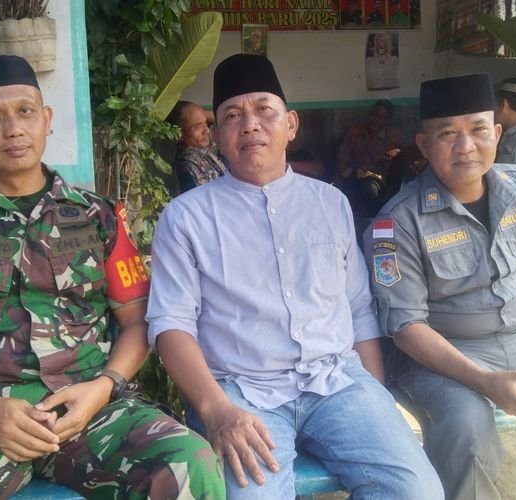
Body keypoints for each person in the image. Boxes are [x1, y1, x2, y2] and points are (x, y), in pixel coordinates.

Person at [0, 55, 223, 499]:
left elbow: (137, 320)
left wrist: (103, 387)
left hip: (92, 411)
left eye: (25, 111)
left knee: (189, 462)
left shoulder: (100, 217)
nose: (13, 129)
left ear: (47, 119)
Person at [146, 53, 443, 500]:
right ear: (218, 137)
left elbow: (358, 309)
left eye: (264, 109)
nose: (250, 125)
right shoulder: (185, 217)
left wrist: (376, 397)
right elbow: (171, 324)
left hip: (338, 382)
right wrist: (214, 409)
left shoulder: (331, 203)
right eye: (232, 115)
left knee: (417, 492)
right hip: (240, 393)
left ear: (291, 125)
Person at [363, 73, 516, 500]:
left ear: (497, 133)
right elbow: (407, 329)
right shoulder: (395, 224)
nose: (465, 146)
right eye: (447, 134)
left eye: (478, 130)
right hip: (441, 359)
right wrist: (486, 381)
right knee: (468, 431)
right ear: (424, 145)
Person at [333, 99, 405, 216]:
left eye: (381, 117)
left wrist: (396, 151)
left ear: (388, 119)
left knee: (369, 188)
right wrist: (338, 182)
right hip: (352, 175)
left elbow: (405, 153)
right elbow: (342, 159)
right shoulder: (354, 133)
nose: (375, 119)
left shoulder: (392, 136)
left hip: (376, 180)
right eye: (374, 114)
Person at [167, 100, 227, 193]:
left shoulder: (201, 146)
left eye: (206, 123)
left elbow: (223, 119)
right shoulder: (188, 165)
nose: (207, 131)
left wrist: (198, 113)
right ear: (179, 134)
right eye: (197, 126)